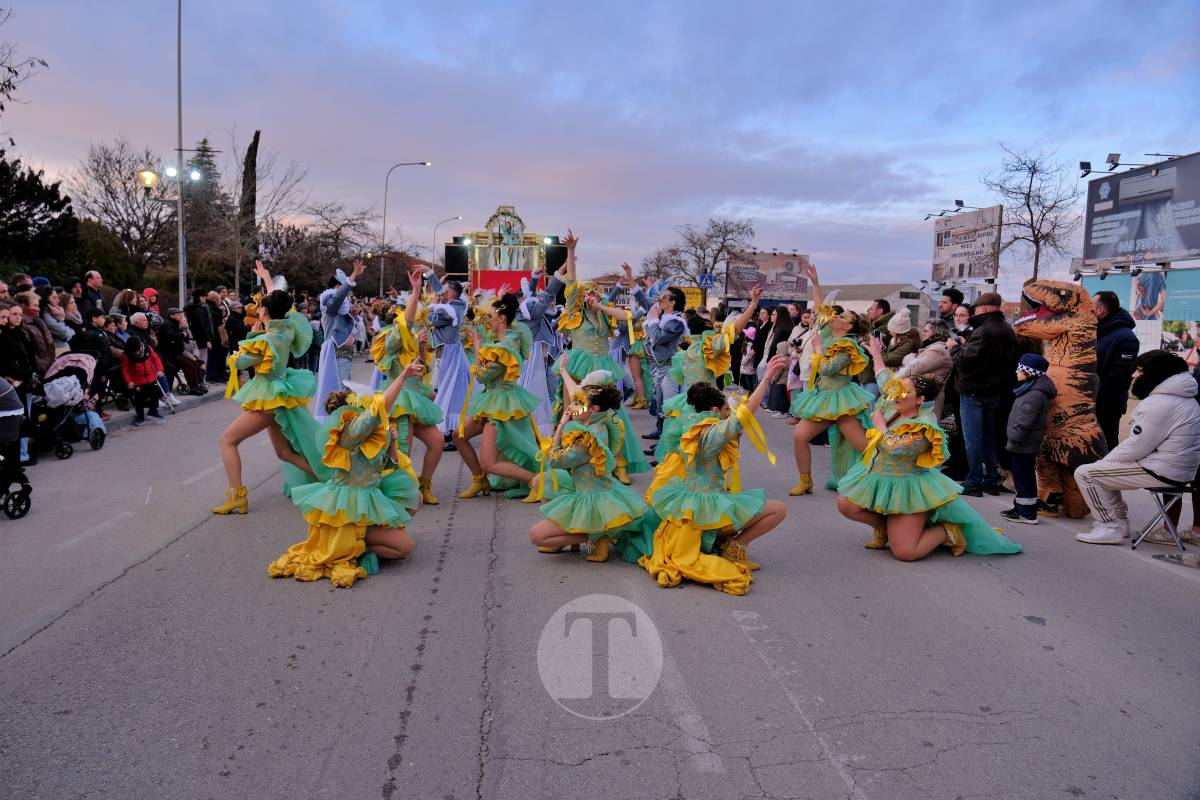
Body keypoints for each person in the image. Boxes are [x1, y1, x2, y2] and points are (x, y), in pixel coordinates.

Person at [836, 354, 1023, 561]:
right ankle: (886, 528)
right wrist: (876, 354)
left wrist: (881, 427)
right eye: (898, 389)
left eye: (904, 391)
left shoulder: (924, 424)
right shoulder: (897, 406)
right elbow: (884, 380)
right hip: (880, 477)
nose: (896, 394)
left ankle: (948, 532)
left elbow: (896, 448)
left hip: (908, 487)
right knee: (846, 505)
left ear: (920, 399)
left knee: (906, 552)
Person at [638, 356, 790, 595]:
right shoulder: (710, 433)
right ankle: (734, 547)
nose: (729, 413)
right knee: (778, 509)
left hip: (696, 504)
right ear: (714, 410)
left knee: (744, 504)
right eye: (726, 409)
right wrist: (767, 379)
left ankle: (722, 543)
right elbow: (743, 417)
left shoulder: (694, 425)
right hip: (706, 509)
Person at [269, 362, 424, 589]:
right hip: (349, 504)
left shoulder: (369, 432)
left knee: (415, 499)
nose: (367, 405)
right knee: (405, 548)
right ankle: (355, 546)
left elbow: (388, 465)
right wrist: (402, 377)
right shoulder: (350, 432)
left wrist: (390, 447)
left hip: (370, 495)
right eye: (363, 403)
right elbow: (377, 410)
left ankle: (367, 537)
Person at [213, 281, 323, 515]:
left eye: (260, 306)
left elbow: (237, 361)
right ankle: (325, 480)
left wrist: (245, 343)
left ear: (263, 310)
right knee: (284, 453)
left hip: (267, 397)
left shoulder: (263, 341)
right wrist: (265, 279)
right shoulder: (287, 331)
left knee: (227, 441)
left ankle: (237, 497)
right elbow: (283, 316)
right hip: (280, 393)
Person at [1074, 350, 1200, 545]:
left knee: (1086, 473)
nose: (1134, 375)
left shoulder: (1160, 403)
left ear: (1155, 373)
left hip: (1162, 469)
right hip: (1178, 469)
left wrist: (1104, 461)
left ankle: (1108, 526)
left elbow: (1137, 446)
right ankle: (1119, 522)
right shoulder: (1184, 398)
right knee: (1103, 470)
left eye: (1140, 371)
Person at [527, 376, 648, 562]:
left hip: (591, 496)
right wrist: (563, 371)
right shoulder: (591, 423)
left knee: (537, 536)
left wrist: (560, 426)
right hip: (584, 484)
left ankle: (599, 536)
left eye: (577, 403)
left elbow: (555, 460)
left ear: (593, 409)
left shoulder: (588, 438)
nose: (571, 407)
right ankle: (570, 536)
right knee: (542, 480)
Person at [787, 263, 872, 496]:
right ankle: (805, 480)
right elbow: (821, 310)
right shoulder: (826, 334)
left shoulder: (847, 345)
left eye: (842, 315)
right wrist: (815, 283)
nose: (836, 316)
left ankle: (880, 480)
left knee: (865, 447)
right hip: (823, 398)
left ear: (849, 326)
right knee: (799, 436)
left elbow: (827, 368)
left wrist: (816, 349)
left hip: (843, 401)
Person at [453, 293, 543, 499]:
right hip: (492, 400)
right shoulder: (499, 338)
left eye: (491, 318)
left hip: (502, 404)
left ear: (502, 318)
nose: (488, 323)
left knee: (489, 463)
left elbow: (483, 377)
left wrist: (477, 348)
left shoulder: (507, 346)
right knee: (459, 436)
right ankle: (479, 480)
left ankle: (534, 480)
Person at [372, 269, 444, 505]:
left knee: (437, 442)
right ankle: (401, 493)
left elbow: (422, 368)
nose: (404, 318)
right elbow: (408, 322)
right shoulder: (389, 339)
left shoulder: (411, 337)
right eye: (400, 316)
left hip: (416, 399)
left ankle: (425, 483)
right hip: (400, 401)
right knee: (403, 449)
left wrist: (422, 347)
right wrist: (415, 291)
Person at [950, 291, 1017, 497]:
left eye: (977, 310)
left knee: (972, 439)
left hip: (973, 391)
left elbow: (966, 361)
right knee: (989, 437)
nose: (973, 314)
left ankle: (974, 481)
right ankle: (990, 479)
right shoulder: (1007, 330)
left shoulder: (983, 331)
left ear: (985, 309)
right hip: (995, 391)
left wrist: (954, 349)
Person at [1002, 354, 1056, 525]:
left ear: (1030, 372)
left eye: (1021, 368)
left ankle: (1027, 513)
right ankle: (1021, 508)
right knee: (1021, 477)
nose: (1017, 371)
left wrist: (1013, 440)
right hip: (1022, 442)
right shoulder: (1030, 389)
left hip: (1022, 443)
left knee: (1023, 477)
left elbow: (1025, 422)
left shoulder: (1034, 394)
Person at [1093, 290, 1139, 451]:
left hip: (1107, 405)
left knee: (1106, 442)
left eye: (1092, 306)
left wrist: (1094, 396)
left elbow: (1119, 377)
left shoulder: (1126, 337)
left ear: (1100, 310)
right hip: (1091, 401)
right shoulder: (1098, 331)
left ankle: (1107, 473)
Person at [426, 271, 471, 436]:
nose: (441, 293)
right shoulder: (451, 306)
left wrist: (432, 304)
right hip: (443, 355)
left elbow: (431, 319)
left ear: (451, 293)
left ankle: (450, 431)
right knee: (442, 390)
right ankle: (447, 429)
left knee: (448, 391)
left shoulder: (454, 309)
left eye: (445, 291)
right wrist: (431, 275)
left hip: (449, 356)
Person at [318, 259, 365, 391]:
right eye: (345, 288)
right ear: (338, 287)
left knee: (343, 389)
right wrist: (353, 277)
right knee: (341, 390)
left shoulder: (338, 308)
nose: (347, 294)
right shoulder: (329, 300)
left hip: (343, 353)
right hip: (337, 352)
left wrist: (353, 315)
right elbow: (338, 297)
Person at [896, 319, 953, 418]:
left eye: (926, 331)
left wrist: (908, 358)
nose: (922, 333)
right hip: (924, 395)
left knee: (925, 427)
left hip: (930, 397)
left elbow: (915, 369)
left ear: (936, 333)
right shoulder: (933, 348)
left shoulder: (938, 350)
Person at [120, 336, 165, 427]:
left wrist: (159, 370)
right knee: (139, 399)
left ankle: (153, 411)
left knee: (156, 394)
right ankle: (140, 416)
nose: (137, 351)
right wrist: (128, 381)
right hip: (137, 381)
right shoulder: (126, 355)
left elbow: (156, 359)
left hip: (151, 377)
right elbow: (125, 369)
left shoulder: (148, 349)